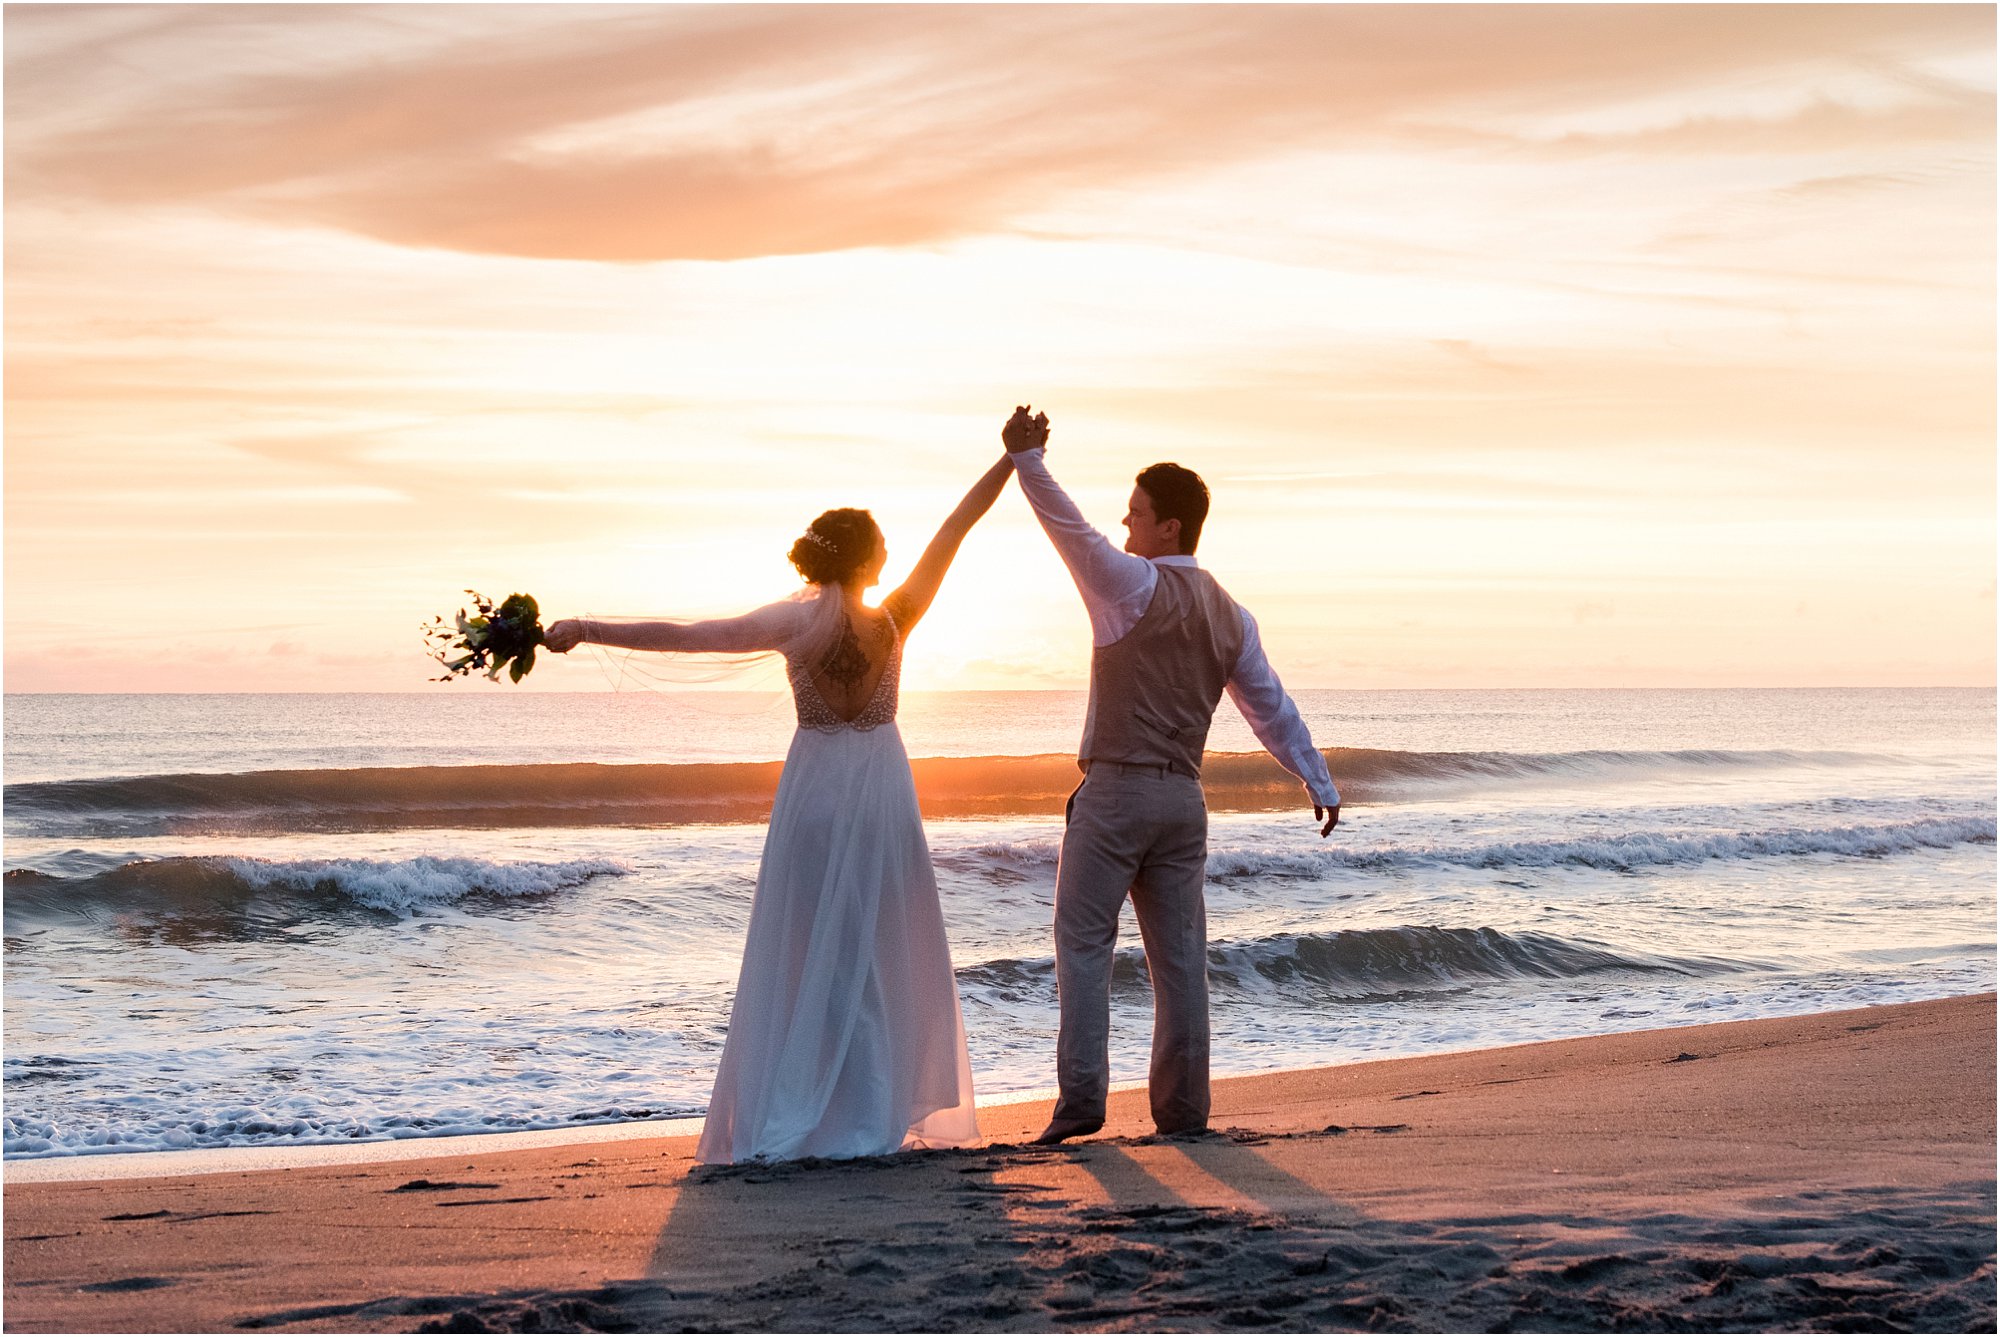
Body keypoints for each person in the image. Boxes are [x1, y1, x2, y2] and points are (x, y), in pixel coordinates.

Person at [542, 452, 1017, 1163]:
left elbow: (688, 636)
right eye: (881, 544)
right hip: (882, 791)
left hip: (816, 789)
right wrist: (1010, 458)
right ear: (866, 558)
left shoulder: (795, 624)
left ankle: (813, 1107)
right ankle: (870, 1105)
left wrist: (586, 627)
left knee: (806, 952)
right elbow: (956, 526)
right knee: (875, 951)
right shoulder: (895, 619)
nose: (891, 551)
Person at [998, 405, 1341, 1144]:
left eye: (1136, 516)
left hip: (1117, 790)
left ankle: (1082, 1101)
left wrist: (1027, 459)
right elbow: (1269, 708)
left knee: (1083, 942)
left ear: (1169, 529)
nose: (1124, 528)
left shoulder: (1130, 585)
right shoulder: (1232, 614)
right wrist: (1317, 779)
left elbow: (1070, 530)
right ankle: (1184, 1112)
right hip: (1185, 799)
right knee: (1181, 960)